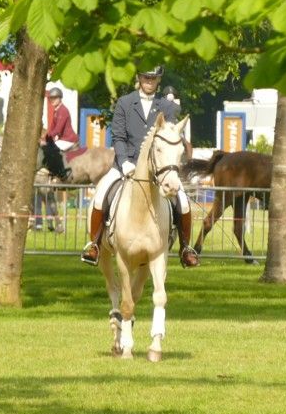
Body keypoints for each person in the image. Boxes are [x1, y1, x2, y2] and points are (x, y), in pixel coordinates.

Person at [80, 65, 199, 268]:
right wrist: (125, 161)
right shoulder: (125, 103)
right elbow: (118, 136)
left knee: (183, 201)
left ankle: (186, 248)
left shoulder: (167, 107)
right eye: (146, 77)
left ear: (158, 80)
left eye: (153, 78)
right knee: (101, 196)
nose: (149, 81)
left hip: (158, 168)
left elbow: (170, 135)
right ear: (139, 78)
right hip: (125, 164)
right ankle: (94, 245)